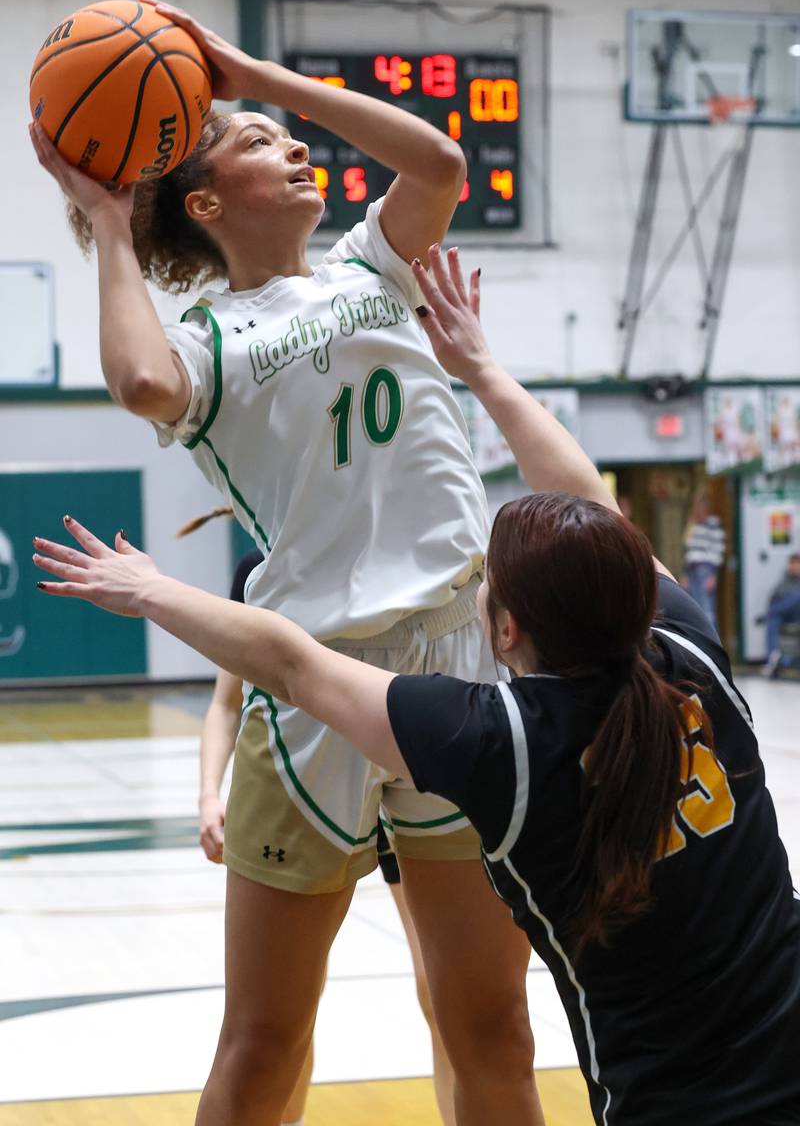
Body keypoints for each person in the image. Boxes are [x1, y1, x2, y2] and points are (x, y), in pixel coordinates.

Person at [34, 247, 800, 1126]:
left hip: (676, 1107)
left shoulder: (503, 745)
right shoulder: (688, 654)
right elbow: (589, 497)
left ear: (504, 631)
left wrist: (151, 590)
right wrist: (478, 365)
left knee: (470, 1026)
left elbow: (294, 665)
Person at [30, 0, 536, 1126]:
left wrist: (256, 77)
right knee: (263, 1044)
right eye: (260, 141)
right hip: (313, 680)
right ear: (204, 202)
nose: (298, 144)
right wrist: (108, 223)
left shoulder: (372, 266)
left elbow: (441, 159)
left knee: (488, 1024)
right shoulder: (200, 345)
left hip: (456, 663)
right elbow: (139, 385)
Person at [198, 541, 456, 1125]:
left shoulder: (414, 553)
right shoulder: (260, 575)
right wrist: (209, 792)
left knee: (444, 993)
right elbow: (225, 702)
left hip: (402, 768)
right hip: (306, 778)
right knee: (286, 1011)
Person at [681, 493, 726, 632]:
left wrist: (713, 574)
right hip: (692, 570)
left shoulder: (713, 523)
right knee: (694, 611)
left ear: (705, 507)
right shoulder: (693, 525)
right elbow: (687, 550)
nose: (697, 510)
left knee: (707, 612)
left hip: (705, 570)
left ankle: (713, 647)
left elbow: (718, 550)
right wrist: (685, 574)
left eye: (699, 507)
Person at [760, 553, 800, 678]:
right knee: (773, 620)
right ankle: (775, 659)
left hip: (797, 614)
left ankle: (779, 660)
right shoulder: (784, 581)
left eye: (796, 564)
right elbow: (774, 596)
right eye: (792, 564)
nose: (793, 567)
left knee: (797, 597)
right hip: (785, 615)